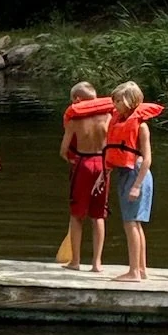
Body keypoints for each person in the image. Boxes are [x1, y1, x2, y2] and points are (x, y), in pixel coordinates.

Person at [106, 82, 162, 282]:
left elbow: (147, 158)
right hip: (126, 173)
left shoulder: (141, 127)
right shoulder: (120, 121)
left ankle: (134, 272)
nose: (116, 105)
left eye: (119, 101)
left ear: (131, 101)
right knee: (135, 224)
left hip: (137, 174)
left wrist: (137, 186)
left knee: (131, 224)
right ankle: (141, 269)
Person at [60, 81, 114, 272]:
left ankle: (75, 262)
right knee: (99, 216)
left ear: (77, 99)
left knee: (76, 215)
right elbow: (112, 145)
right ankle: (97, 263)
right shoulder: (108, 117)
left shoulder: (75, 120)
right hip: (102, 164)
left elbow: (63, 150)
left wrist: (71, 161)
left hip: (83, 164)